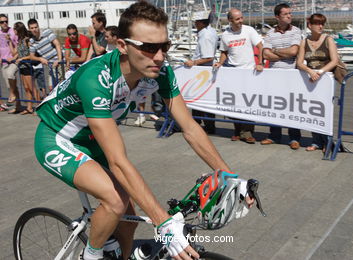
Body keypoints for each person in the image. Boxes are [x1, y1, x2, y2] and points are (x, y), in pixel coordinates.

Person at [34, 2, 253, 260]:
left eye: (164, 46)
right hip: (57, 138)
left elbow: (190, 127)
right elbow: (117, 161)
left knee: (128, 221)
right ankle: (90, 255)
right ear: (123, 46)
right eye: (149, 48)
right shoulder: (97, 78)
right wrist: (164, 223)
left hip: (92, 139)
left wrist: (229, 176)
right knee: (116, 200)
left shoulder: (159, 71)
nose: (159, 56)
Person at [214, 8, 263, 144]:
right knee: (235, 104)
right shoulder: (225, 35)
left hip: (249, 72)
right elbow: (224, 52)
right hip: (233, 73)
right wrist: (219, 62)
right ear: (230, 20)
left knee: (247, 104)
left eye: (241, 18)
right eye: (237, 19)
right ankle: (237, 131)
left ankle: (247, 133)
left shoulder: (249, 30)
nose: (241, 21)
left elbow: (260, 46)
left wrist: (260, 62)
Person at [260, 3, 302, 150]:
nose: (289, 16)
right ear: (277, 17)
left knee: (292, 107)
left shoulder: (296, 31)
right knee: (274, 106)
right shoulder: (271, 33)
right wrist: (283, 54)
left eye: (290, 13)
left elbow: (294, 51)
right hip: (274, 75)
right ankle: (274, 135)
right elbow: (265, 54)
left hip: (291, 75)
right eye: (285, 14)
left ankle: (294, 137)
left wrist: (275, 51)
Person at [296, 13, 338, 151]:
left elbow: (334, 61)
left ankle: (327, 142)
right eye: (318, 23)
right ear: (310, 25)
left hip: (325, 80)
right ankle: (316, 141)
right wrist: (310, 71)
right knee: (312, 111)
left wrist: (320, 72)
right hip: (311, 80)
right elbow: (299, 63)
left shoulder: (328, 40)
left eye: (322, 23)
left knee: (325, 111)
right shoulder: (304, 41)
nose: (321, 26)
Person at [184, 11, 218, 134]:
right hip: (204, 71)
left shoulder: (206, 35)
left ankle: (207, 126)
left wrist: (193, 63)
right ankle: (199, 123)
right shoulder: (210, 31)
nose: (195, 24)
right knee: (199, 99)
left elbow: (208, 57)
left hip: (203, 71)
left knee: (202, 99)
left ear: (201, 23)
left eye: (196, 22)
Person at [28, 18, 63, 95]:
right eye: (32, 28)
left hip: (59, 62)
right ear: (29, 29)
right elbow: (31, 56)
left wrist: (59, 60)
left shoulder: (47, 32)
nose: (34, 29)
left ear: (38, 26)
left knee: (62, 86)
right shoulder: (32, 41)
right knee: (51, 88)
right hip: (51, 65)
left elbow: (57, 44)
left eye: (36, 27)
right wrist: (40, 58)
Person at [10, 22, 37, 114]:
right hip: (21, 66)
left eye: (15, 29)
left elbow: (31, 55)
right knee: (26, 88)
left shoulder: (27, 40)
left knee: (32, 88)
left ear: (19, 29)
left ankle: (38, 107)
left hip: (27, 66)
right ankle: (29, 107)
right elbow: (15, 53)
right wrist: (10, 41)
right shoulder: (20, 40)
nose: (13, 31)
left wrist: (22, 58)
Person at [0, 13, 22, 113]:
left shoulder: (13, 31)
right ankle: (18, 105)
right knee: (10, 86)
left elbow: (19, 46)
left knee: (11, 76)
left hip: (13, 60)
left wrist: (14, 57)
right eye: (2, 22)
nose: (4, 23)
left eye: (6, 21)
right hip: (3, 62)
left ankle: (14, 99)